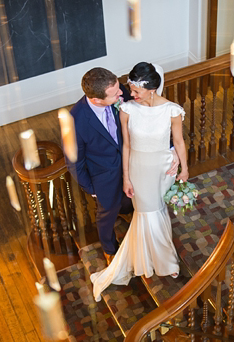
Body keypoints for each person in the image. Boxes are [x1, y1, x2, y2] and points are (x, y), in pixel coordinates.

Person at [90, 62, 188, 301]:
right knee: (147, 212)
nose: (130, 94)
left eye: (135, 91)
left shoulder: (173, 111)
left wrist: (184, 168)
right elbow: (126, 145)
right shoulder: (127, 110)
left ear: (151, 89)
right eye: (131, 89)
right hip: (138, 168)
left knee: (157, 210)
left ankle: (156, 257)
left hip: (163, 168)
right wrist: (126, 177)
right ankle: (165, 262)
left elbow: (179, 141)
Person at [66, 67, 179, 264]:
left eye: (119, 87)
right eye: (115, 93)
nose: (122, 93)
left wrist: (171, 147)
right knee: (106, 214)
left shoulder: (121, 93)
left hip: (133, 163)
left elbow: (149, 120)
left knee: (131, 199)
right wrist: (92, 189)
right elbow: (75, 162)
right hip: (103, 177)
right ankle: (109, 248)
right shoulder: (75, 121)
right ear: (96, 100)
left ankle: (127, 214)